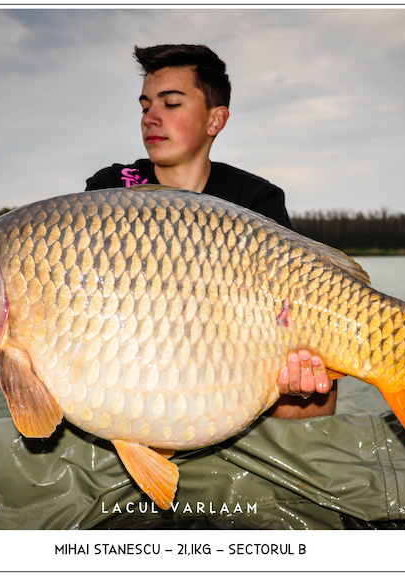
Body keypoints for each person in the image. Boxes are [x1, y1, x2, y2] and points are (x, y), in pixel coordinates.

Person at [86, 44, 337, 418]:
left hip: (229, 367)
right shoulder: (111, 188)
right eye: (145, 106)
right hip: (133, 366)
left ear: (215, 121)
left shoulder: (255, 199)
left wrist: (297, 382)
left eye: (170, 104)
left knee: (318, 395)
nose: (150, 118)